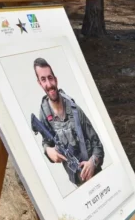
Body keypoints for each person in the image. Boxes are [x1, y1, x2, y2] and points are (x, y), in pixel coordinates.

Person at [34, 58, 104, 186]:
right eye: (43, 80)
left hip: (97, 176)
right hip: (79, 183)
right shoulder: (44, 113)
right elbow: (46, 141)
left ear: (56, 79)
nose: (49, 84)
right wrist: (48, 150)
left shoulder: (75, 110)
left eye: (50, 78)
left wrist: (92, 162)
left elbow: (97, 145)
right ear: (39, 83)